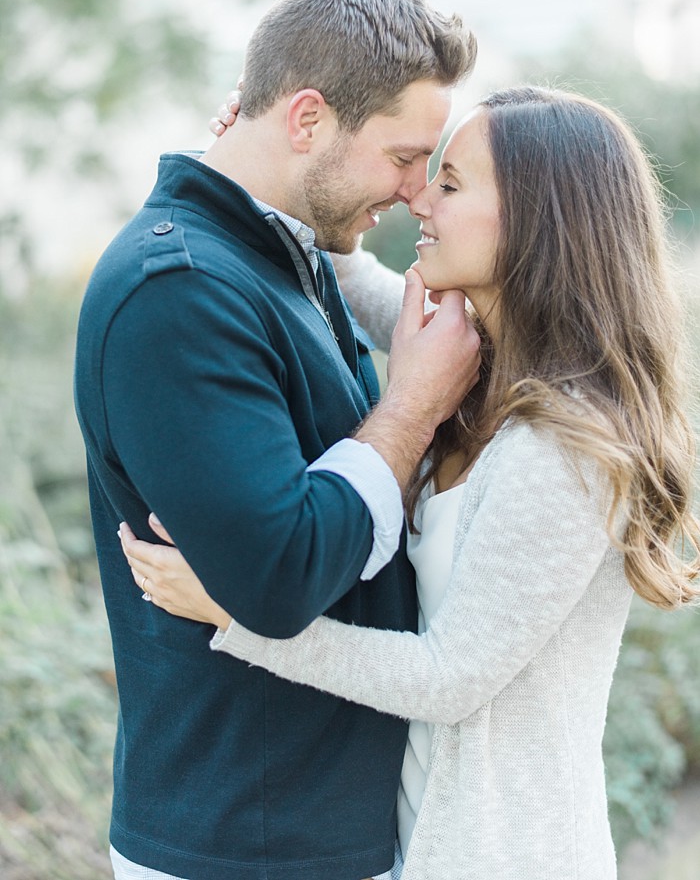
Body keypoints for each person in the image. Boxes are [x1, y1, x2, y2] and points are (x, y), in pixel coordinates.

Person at [121, 85, 700, 880]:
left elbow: (449, 678)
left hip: (504, 857)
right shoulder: (478, 364)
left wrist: (237, 612)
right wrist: (261, 162)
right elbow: (351, 275)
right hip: (417, 846)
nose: (420, 197)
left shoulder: (567, 447)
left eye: (451, 184)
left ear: (539, 222)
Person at [73, 0, 481, 880]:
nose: (418, 192)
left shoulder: (283, 253)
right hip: (246, 842)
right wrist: (409, 407)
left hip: (304, 832)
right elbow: (281, 574)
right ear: (306, 121)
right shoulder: (179, 290)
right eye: (407, 156)